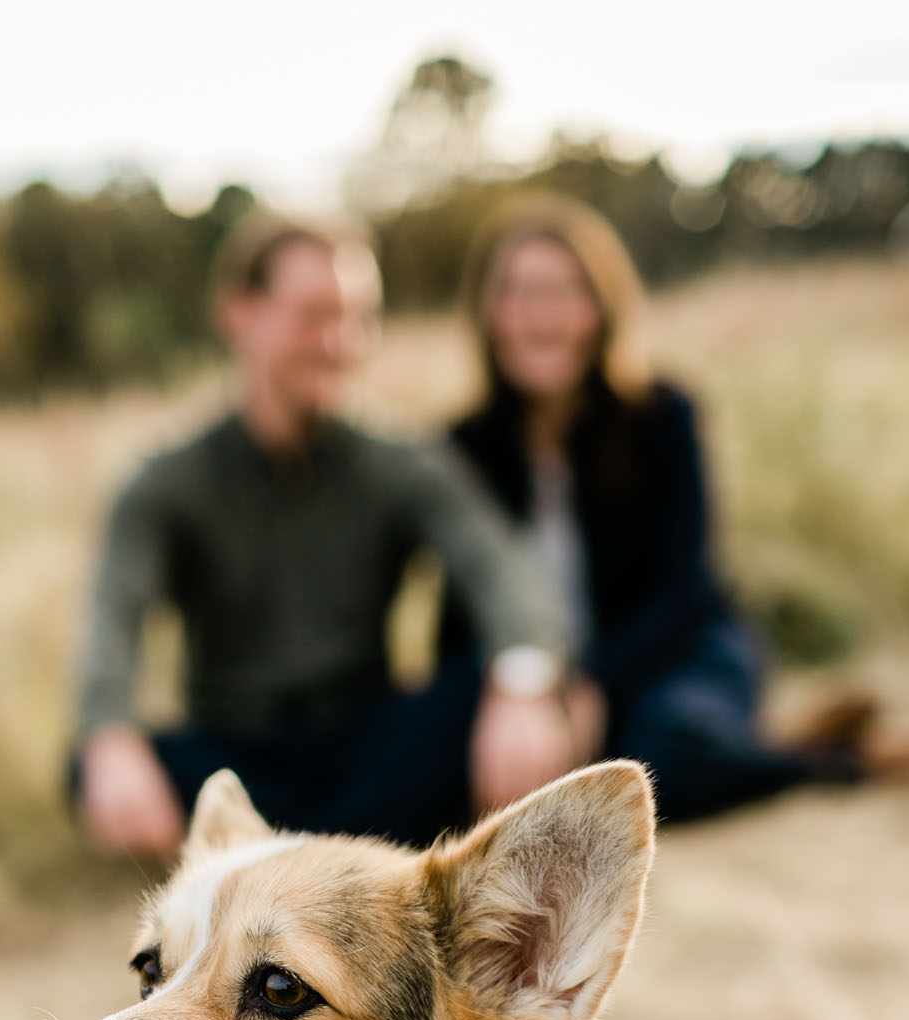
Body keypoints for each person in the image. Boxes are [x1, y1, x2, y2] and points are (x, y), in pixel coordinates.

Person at [444, 194, 909, 825]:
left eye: (564, 290)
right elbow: (460, 619)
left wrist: (588, 684)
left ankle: (848, 760)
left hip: (678, 652)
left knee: (658, 759)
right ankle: (785, 741)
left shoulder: (664, 416)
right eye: (517, 292)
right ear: (487, 312)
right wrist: (510, 694)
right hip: (545, 688)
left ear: (600, 307)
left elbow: (685, 589)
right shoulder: (463, 447)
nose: (540, 314)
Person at [73, 211, 580, 856]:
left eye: (358, 317)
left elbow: (500, 569)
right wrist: (110, 737)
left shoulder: (403, 462)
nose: (339, 340)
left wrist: (522, 682)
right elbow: (111, 621)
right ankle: (289, 838)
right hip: (238, 753)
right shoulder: (163, 482)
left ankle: (305, 844)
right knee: (95, 758)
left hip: (367, 740)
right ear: (240, 313)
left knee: (472, 690)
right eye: (314, 315)